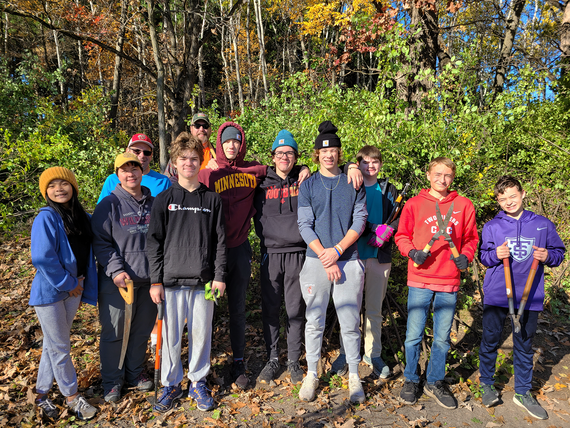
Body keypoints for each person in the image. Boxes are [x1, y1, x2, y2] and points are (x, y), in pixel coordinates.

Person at [147, 133, 226, 412]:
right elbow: (153, 242)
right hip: (170, 281)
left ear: (201, 161)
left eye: (194, 158)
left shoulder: (212, 200)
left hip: (204, 281)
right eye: (184, 159)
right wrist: (155, 280)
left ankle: (197, 381)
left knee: (202, 335)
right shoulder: (163, 199)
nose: (189, 163)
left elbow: (220, 242)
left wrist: (219, 276)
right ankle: (170, 384)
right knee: (170, 338)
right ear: (175, 163)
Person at [478, 176, 565, 420]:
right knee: (491, 339)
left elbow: (559, 254)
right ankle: (486, 383)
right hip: (498, 294)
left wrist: (548, 255)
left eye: (513, 196)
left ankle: (523, 391)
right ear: (497, 201)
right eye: (503, 198)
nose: (509, 202)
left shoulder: (542, 224)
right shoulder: (492, 227)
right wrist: (495, 254)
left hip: (530, 295)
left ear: (523, 194)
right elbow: (483, 257)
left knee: (524, 343)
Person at [394, 157, 478, 409]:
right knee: (412, 335)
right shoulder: (414, 204)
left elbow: (472, 239)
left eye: (448, 176)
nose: (443, 180)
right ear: (428, 175)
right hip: (419, 279)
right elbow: (401, 236)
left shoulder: (463, 205)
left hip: (448, 281)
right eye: (438, 174)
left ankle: (434, 381)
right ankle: (410, 379)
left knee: (441, 337)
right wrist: (411, 252)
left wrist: (467, 256)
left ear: (453, 178)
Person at [296, 121, 367, 404]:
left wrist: (336, 251)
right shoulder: (308, 183)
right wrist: (325, 255)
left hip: (348, 260)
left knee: (350, 322)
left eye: (334, 150)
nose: (329, 155)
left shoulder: (353, 180)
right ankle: (312, 373)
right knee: (314, 321)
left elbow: (360, 221)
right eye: (324, 151)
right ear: (316, 154)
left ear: (339, 153)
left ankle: (353, 375)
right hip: (315, 262)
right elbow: (304, 224)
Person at [30, 167, 98, 421]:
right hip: (51, 292)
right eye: (52, 186)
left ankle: (41, 394)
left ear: (73, 187)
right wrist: (69, 283)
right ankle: (72, 398)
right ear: (45, 192)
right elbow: (42, 257)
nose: (59, 189)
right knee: (60, 347)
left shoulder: (82, 217)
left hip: (74, 289)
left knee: (53, 343)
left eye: (64, 184)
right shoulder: (46, 217)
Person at [92, 153, 157, 403]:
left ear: (142, 171)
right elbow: (101, 242)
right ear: (117, 174)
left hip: (148, 280)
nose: (131, 173)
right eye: (125, 169)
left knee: (140, 332)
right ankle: (111, 381)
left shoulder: (154, 204)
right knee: (115, 332)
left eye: (135, 168)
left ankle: (134, 373)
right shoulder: (108, 204)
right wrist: (117, 270)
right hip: (118, 282)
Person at [330, 145, 399, 379]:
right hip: (351, 255)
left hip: (379, 256)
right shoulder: (349, 184)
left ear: (380, 164)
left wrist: (390, 229)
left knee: (374, 309)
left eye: (375, 162)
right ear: (357, 164)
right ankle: (346, 352)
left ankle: (373, 354)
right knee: (348, 307)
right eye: (365, 162)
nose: (370, 166)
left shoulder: (388, 189)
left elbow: (401, 217)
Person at [253, 130, 307, 385]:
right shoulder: (260, 182)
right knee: (271, 309)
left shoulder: (305, 180)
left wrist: (351, 165)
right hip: (270, 255)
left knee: (296, 310)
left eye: (290, 153)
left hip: (298, 254)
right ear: (272, 157)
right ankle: (273, 357)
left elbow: (334, 171)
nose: (284, 157)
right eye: (280, 153)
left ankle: (294, 360)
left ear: (296, 157)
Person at [97, 133, 170, 203]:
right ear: (127, 151)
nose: (142, 155)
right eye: (137, 151)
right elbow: (102, 212)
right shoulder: (112, 180)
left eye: (146, 152)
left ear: (151, 155)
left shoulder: (163, 181)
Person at [165, 112, 217, 179]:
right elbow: (167, 180)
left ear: (210, 129)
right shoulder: (179, 153)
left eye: (205, 126)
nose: (201, 129)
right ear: (191, 129)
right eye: (197, 126)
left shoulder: (218, 155)